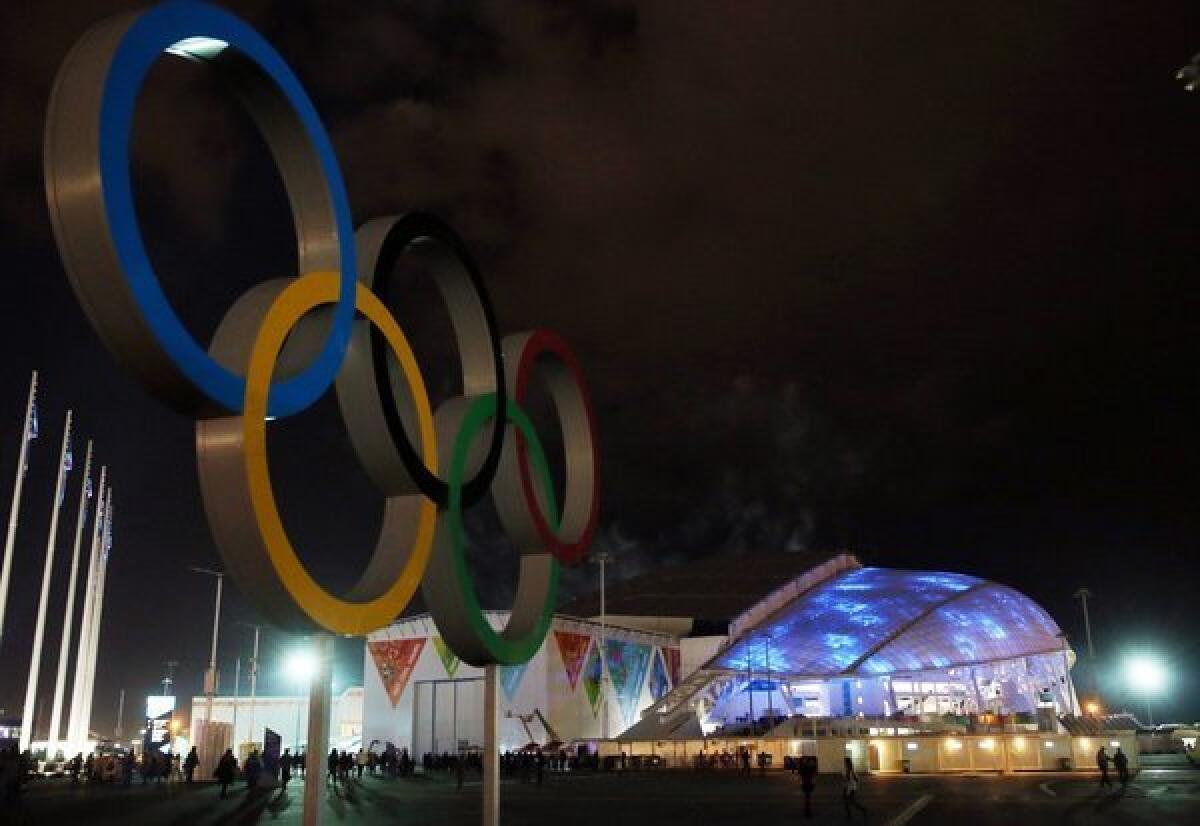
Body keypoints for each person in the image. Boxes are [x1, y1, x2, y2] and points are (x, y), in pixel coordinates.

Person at [842, 756, 868, 821]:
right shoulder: (848, 770)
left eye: (845, 762)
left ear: (847, 763)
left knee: (850, 802)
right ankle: (851, 814)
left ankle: (862, 810)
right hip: (849, 788)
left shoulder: (850, 770)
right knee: (849, 802)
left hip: (850, 789)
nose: (844, 764)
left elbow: (853, 780)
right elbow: (853, 780)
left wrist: (848, 778)